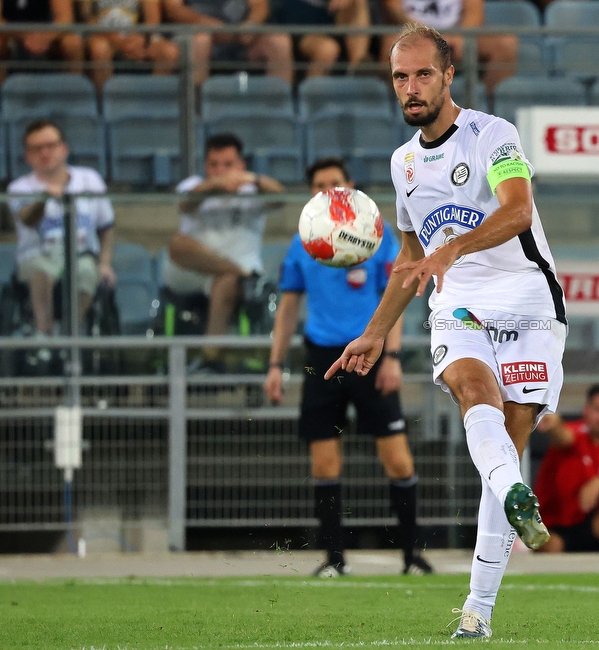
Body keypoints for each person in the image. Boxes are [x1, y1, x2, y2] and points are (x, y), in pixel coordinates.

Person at [326, 24, 566, 639]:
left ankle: (478, 609)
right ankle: (516, 496)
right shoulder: (402, 162)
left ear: (448, 75)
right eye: (400, 76)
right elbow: (411, 260)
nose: (410, 87)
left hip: (527, 300)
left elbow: (517, 211)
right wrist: (376, 331)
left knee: (505, 443)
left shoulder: (495, 134)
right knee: (470, 391)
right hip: (457, 301)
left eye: (422, 74)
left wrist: (453, 248)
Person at [263, 157, 432, 577]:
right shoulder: (303, 241)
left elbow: (396, 291)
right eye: (318, 185)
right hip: (322, 357)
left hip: (371, 356)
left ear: (349, 187)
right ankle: (334, 560)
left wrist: (391, 357)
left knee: (397, 460)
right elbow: (287, 309)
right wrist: (275, 364)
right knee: (324, 463)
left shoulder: (377, 233)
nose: (327, 190)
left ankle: (412, 557)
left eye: (334, 183)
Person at [164, 133, 284, 360]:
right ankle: (237, 271)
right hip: (193, 274)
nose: (220, 171)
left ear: (241, 165)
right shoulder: (194, 186)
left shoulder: (253, 193)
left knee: (227, 282)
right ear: (206, 166)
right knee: (177, 245)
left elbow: (280, 196)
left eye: (228, 164)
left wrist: (251, 179)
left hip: (236, 283)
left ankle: (208, 358)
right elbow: (185, 203)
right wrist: (214, 185)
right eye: (214, 165)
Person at [9, 120, 116, 340]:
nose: (45, 153)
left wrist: (105, 263)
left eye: (50, 145)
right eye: (37, 149)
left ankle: (68, 336)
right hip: (37, 256)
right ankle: (45, 333)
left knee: (87, 273)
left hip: (82, 254)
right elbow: (27, 219)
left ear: (63, 149)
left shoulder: (90, 179)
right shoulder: (19, 187)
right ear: (28, 156)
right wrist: (43, 199)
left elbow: (106, 227)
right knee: (40, 271)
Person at [532, 384, 599, 554]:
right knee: (551, 545)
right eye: (598, 410)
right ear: (586, 410)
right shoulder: (576, 433)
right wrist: (554, 422)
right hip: (553, 524)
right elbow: (562, 437)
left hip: (592, 525)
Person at [380, 0, 517, 93]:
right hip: (412, 33)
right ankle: (403, 112)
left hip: (458, 35)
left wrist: (460, 36)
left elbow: (474, 10)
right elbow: (393, 8)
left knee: (505, 44)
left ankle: (490, 110)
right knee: (390, 48)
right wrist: (426, 36)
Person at [161, 0, 293, 85]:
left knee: (279, 42)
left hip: (241, 36)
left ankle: (278, 114)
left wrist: (251, 25)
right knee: (200, 41)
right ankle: (197, 115)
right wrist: (205, 24)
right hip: (200, 32)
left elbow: (260, 5)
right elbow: (173, 9)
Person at [81, 0, 180, 89]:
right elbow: (89, 19)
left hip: (138, 36)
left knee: (169, 52)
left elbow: (152, 20)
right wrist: (118, 40)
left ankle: (152, 102)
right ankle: (107, 103)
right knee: (99, 49)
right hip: (104, 36)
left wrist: (140, 40)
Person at [275, 0, 370, 77]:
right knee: (327, 49)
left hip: (330, 17)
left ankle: (357, 70)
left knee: (359, 2)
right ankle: (309, 98)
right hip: (297, 17)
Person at [0, 0, 83, 79]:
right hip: (10, 35)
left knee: (72, 43)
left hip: (48, 34)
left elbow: (65, 19)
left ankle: (73, 91)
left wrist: (44, 37)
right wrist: (26, 35)